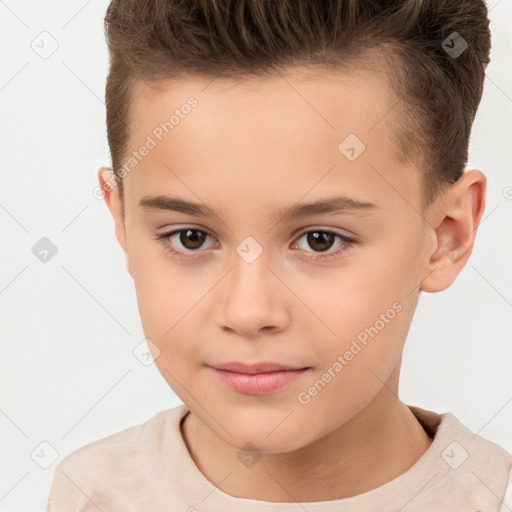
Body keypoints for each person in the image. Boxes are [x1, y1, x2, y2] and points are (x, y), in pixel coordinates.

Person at [47, 0, 512, 510]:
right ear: (124, 223)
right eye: (191, 238)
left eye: (320, 240)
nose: (248, 313)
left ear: (446, 236)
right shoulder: (90, 494)